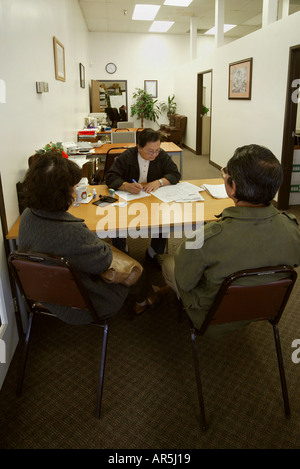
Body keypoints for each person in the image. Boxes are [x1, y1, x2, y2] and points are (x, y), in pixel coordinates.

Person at [162, 144, 300, 336]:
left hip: (211, 317)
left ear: (232, 187)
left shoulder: (206, 237)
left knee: (169, 262)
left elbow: (185, 281)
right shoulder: (293, 228)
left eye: (225, 174)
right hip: (265, 309)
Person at [18, 152, 168, 321]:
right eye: (73, 187)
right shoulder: (72, 231)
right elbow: (103, 262)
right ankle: (145, 299)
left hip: (46, 293)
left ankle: (146, 295)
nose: (75, 190)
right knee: (134, 268)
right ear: (61, 193)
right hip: (83, 302)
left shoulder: (27, 216)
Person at [105, 128, 181, 267]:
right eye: (150, 151)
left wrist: (159, 182)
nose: (155, 154)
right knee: (117, 219)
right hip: (129, 198)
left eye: (157, 150)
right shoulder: (127, 156)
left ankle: (153, 252)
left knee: (163, 218)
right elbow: (110, 176)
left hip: (153, 198)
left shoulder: (161, 155)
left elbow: (175, 174)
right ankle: (122, 251)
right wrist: (125, 185)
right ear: (139, 147)